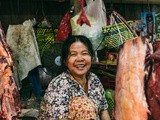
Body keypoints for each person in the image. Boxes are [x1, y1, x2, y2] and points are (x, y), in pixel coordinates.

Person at [39, 35, 111, 120]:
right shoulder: (58, 85)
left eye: (84, 53)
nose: (80, 59)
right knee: (83, 106)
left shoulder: (94, 79)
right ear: (65, 61)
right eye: (73, 54)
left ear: (91, 57)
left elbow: (103, 110)